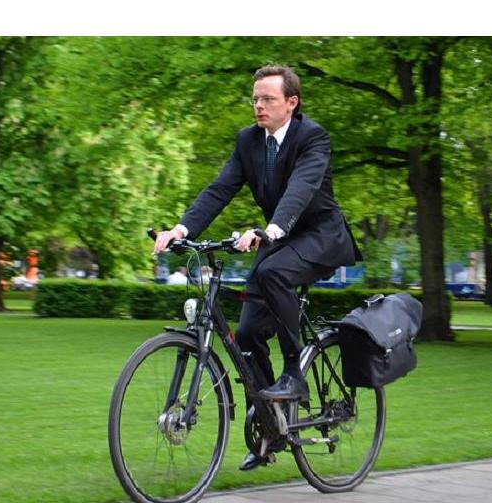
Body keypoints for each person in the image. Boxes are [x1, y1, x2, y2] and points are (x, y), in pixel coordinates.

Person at [153, 64, 362, 471]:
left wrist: (270, 230)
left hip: (319, 235)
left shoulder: (312, 137)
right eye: (255, 99)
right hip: (279, 239)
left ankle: (294, 373)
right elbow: (219, 189)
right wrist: (181, 229)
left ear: (291, 102)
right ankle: (271, 427)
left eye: (268, 98)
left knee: (271, 273)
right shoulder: (248, 141)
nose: (259, 106)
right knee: (246, 334)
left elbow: (301, 188)